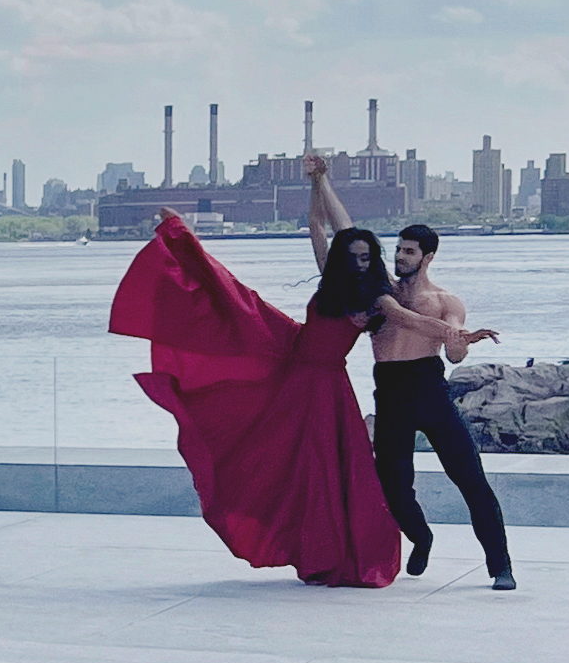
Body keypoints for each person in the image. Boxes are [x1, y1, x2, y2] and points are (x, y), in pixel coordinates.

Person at [108, 206, 401, 587]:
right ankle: (179, 236)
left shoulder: (375, 297)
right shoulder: (333, 282)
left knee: (323, 471)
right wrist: (318, 180)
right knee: (232, 301)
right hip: (291, 357)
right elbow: (317, 225)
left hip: (325, 387)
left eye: (366, 257)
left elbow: (411, 320)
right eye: (354, 257)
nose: (361, 263)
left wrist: (451, 332)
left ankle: (329, 553)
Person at [306, 156, 514, 589]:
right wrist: (322, 180)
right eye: (398, 249)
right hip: (391, 392)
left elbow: (453, 350)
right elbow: (345, 233)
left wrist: (458, 341)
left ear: (427, 256)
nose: (400, 256)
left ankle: (501, 566)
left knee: (471, 480)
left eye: (409, 251)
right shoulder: (378, 288)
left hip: (430, 391)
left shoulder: (446, 300)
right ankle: (421, 538)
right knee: (394, 487)